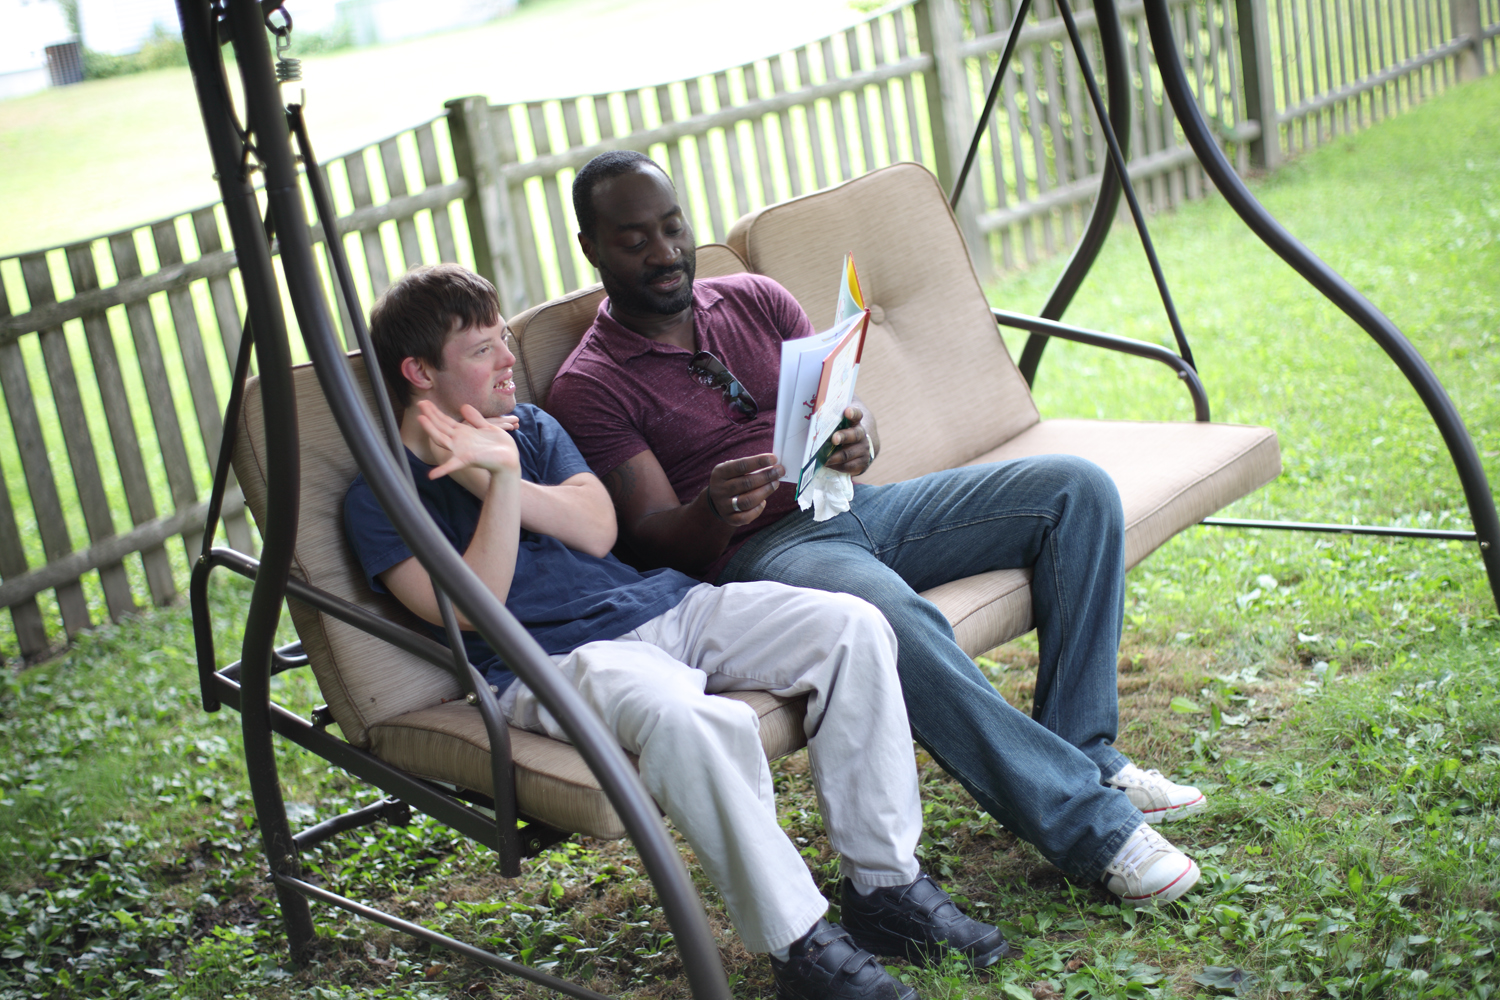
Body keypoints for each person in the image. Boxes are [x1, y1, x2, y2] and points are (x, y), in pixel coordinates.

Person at [546, 151, 1209, 910]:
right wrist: (710, 509)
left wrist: (859, 437)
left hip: (861, 505)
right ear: (591, 247)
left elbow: (841, 409)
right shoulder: (592, 384)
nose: (664, 252)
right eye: (634, 240)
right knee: (887, 619)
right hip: (768, 554)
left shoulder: (757, 300)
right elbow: (652, 541)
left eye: (672, 227)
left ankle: (1084, 750)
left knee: (1076, 489)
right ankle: (1094, 830)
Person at [343, 263, 1009, 1000]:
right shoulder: (378, 498)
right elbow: (475, 607)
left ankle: (885, 890)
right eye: (482, 350)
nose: (509, 361)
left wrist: (505, 470)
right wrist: (494, 483)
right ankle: (802, 947)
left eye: (505, 338)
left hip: (666, 605)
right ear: (418, 372)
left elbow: (597, 529)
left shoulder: (530, 429)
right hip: (555, 663)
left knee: (853, 625)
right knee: (690, 722)